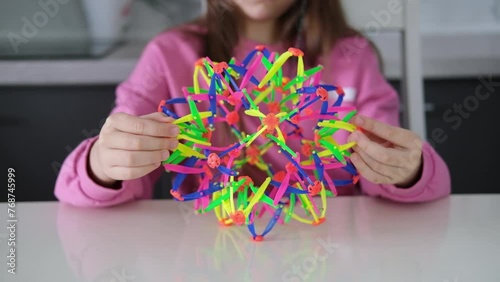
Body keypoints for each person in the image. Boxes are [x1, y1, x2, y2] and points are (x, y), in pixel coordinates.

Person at [54, 0, 451, 207]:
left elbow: (411, 180)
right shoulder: (169, 55)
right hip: (210, 258)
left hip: (333, 255)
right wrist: (102, 166)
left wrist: (408, 171)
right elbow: (81, 188)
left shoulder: (351, 56)